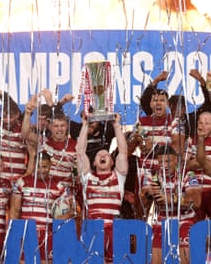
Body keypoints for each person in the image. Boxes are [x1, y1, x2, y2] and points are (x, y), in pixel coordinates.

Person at [76, 113, 128, 262]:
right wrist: (85, 126)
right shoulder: (88, 178)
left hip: (114, 231)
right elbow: (80, 152)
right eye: (99, 155)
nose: (103, 155)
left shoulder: (118, 178)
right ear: (94, 163)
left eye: (107, 154)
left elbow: (123, 152)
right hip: (93, 230)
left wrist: (116, 125)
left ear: (112, 162)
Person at [140, 145, 201, 264]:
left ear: (176, 161)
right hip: (161, 222)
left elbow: (197, 201)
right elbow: (142, 203)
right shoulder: (152, 176)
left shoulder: (187, 175)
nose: (165, 165)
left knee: (184, 261)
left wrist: (172, 198)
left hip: (184, 222)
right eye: (161, 162)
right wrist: (149, 194)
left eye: (168, 161)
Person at [14, 151, 74, 262]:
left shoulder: (59, 186)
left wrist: (64, 216)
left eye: (45, 166)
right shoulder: (22, 183)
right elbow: (15, 210)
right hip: (27, 232)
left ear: (50, 166)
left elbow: (72, 210)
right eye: (39, 166)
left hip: (48, 233)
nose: (42, 170)